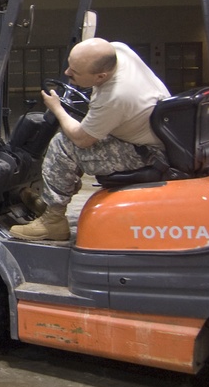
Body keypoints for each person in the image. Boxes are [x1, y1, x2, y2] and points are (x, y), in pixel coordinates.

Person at [10, 38, 169, 242]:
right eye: (70, 65)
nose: (67, 73)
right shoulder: (120, 50)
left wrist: (57, 108)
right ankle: (52, 202)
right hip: (148, 136)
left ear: (101, 76)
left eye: (75, 72)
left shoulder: (116, 96)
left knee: (64, 144)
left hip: (145, 154)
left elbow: (81, 139)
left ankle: (53, 220)